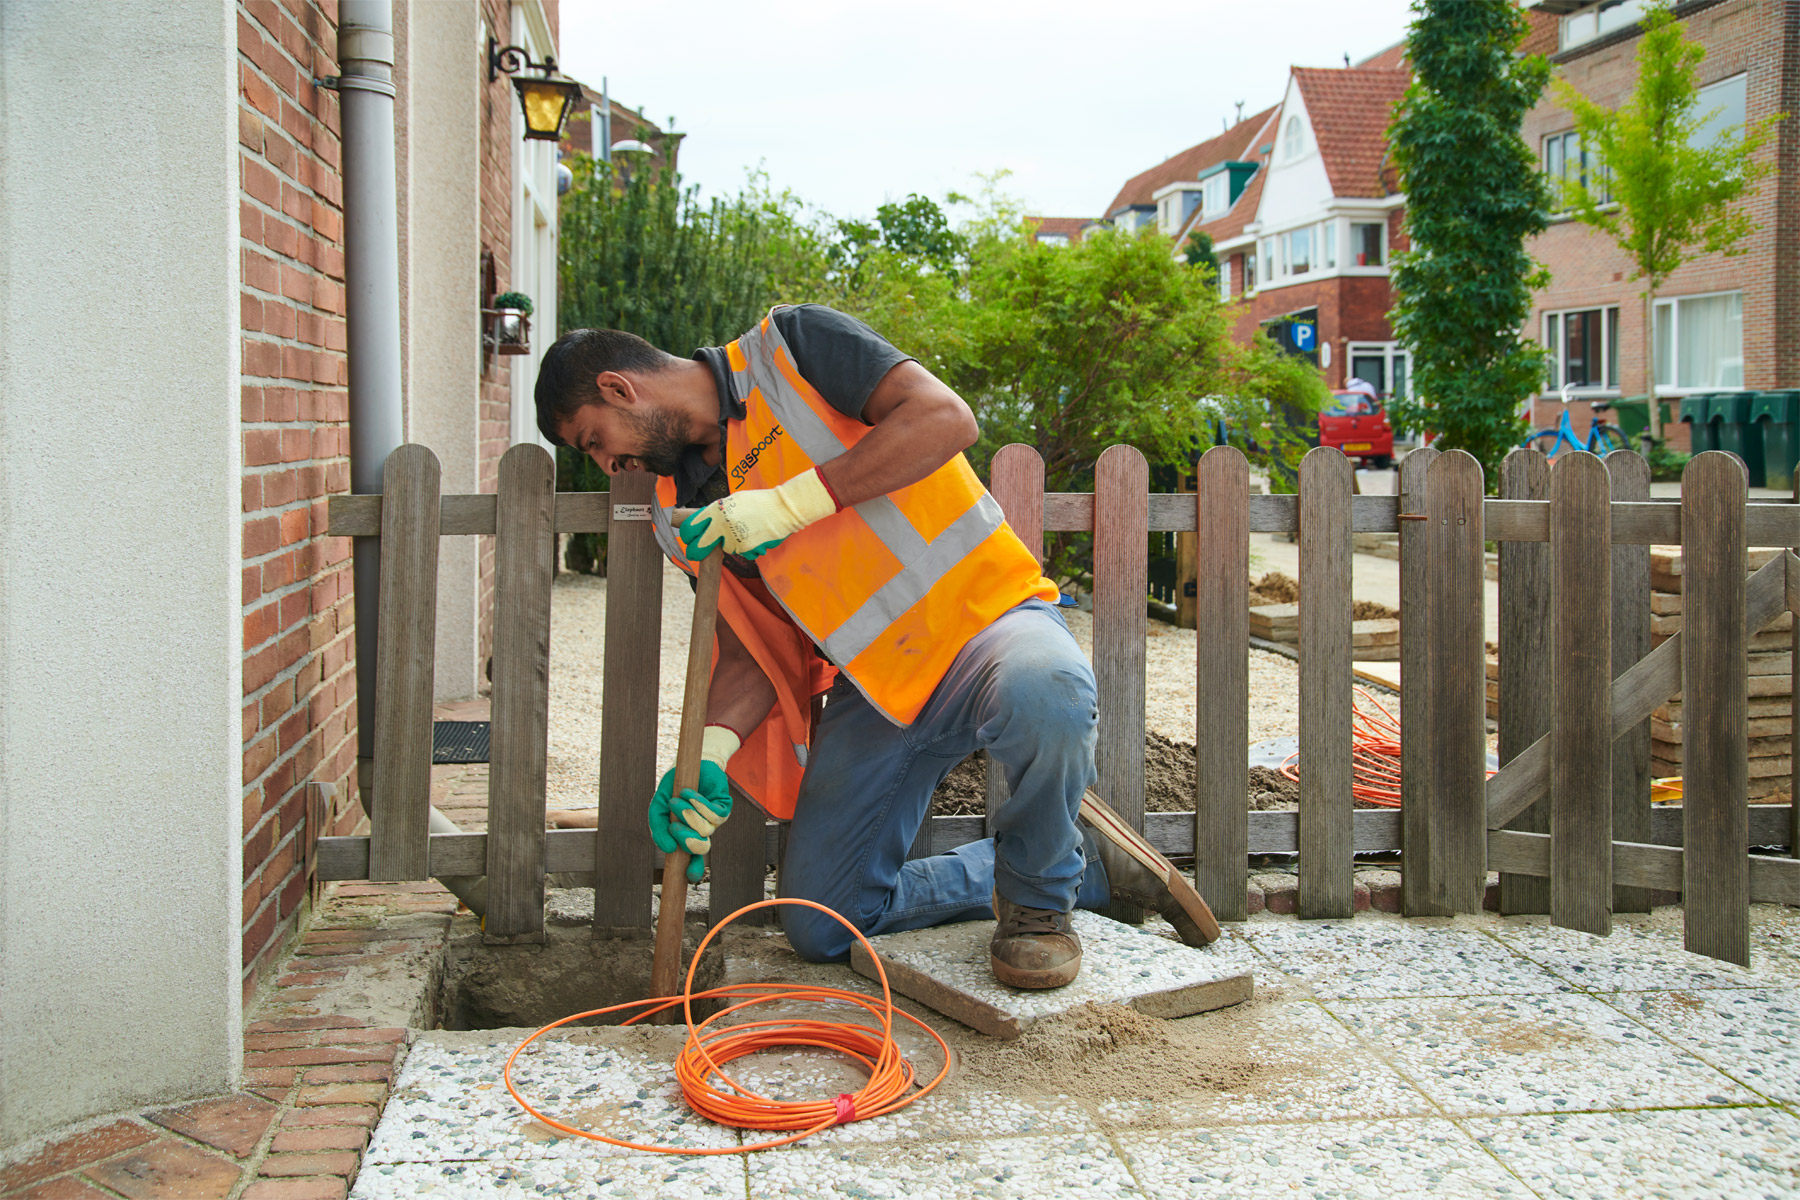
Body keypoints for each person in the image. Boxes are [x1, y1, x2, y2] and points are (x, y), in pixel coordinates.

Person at [533, 304, 1208, 987]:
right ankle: (1081, 864)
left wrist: (789, 504)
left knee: (1049, 692)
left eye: (594, 440)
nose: (608, 462)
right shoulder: (681, 505)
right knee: (823, 922)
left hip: (987, 623)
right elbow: (754, 648)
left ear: (620, 389)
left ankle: (1038, 904)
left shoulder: (790, 350)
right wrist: (710, 752)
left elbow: (946, 419)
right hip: (881, 687)